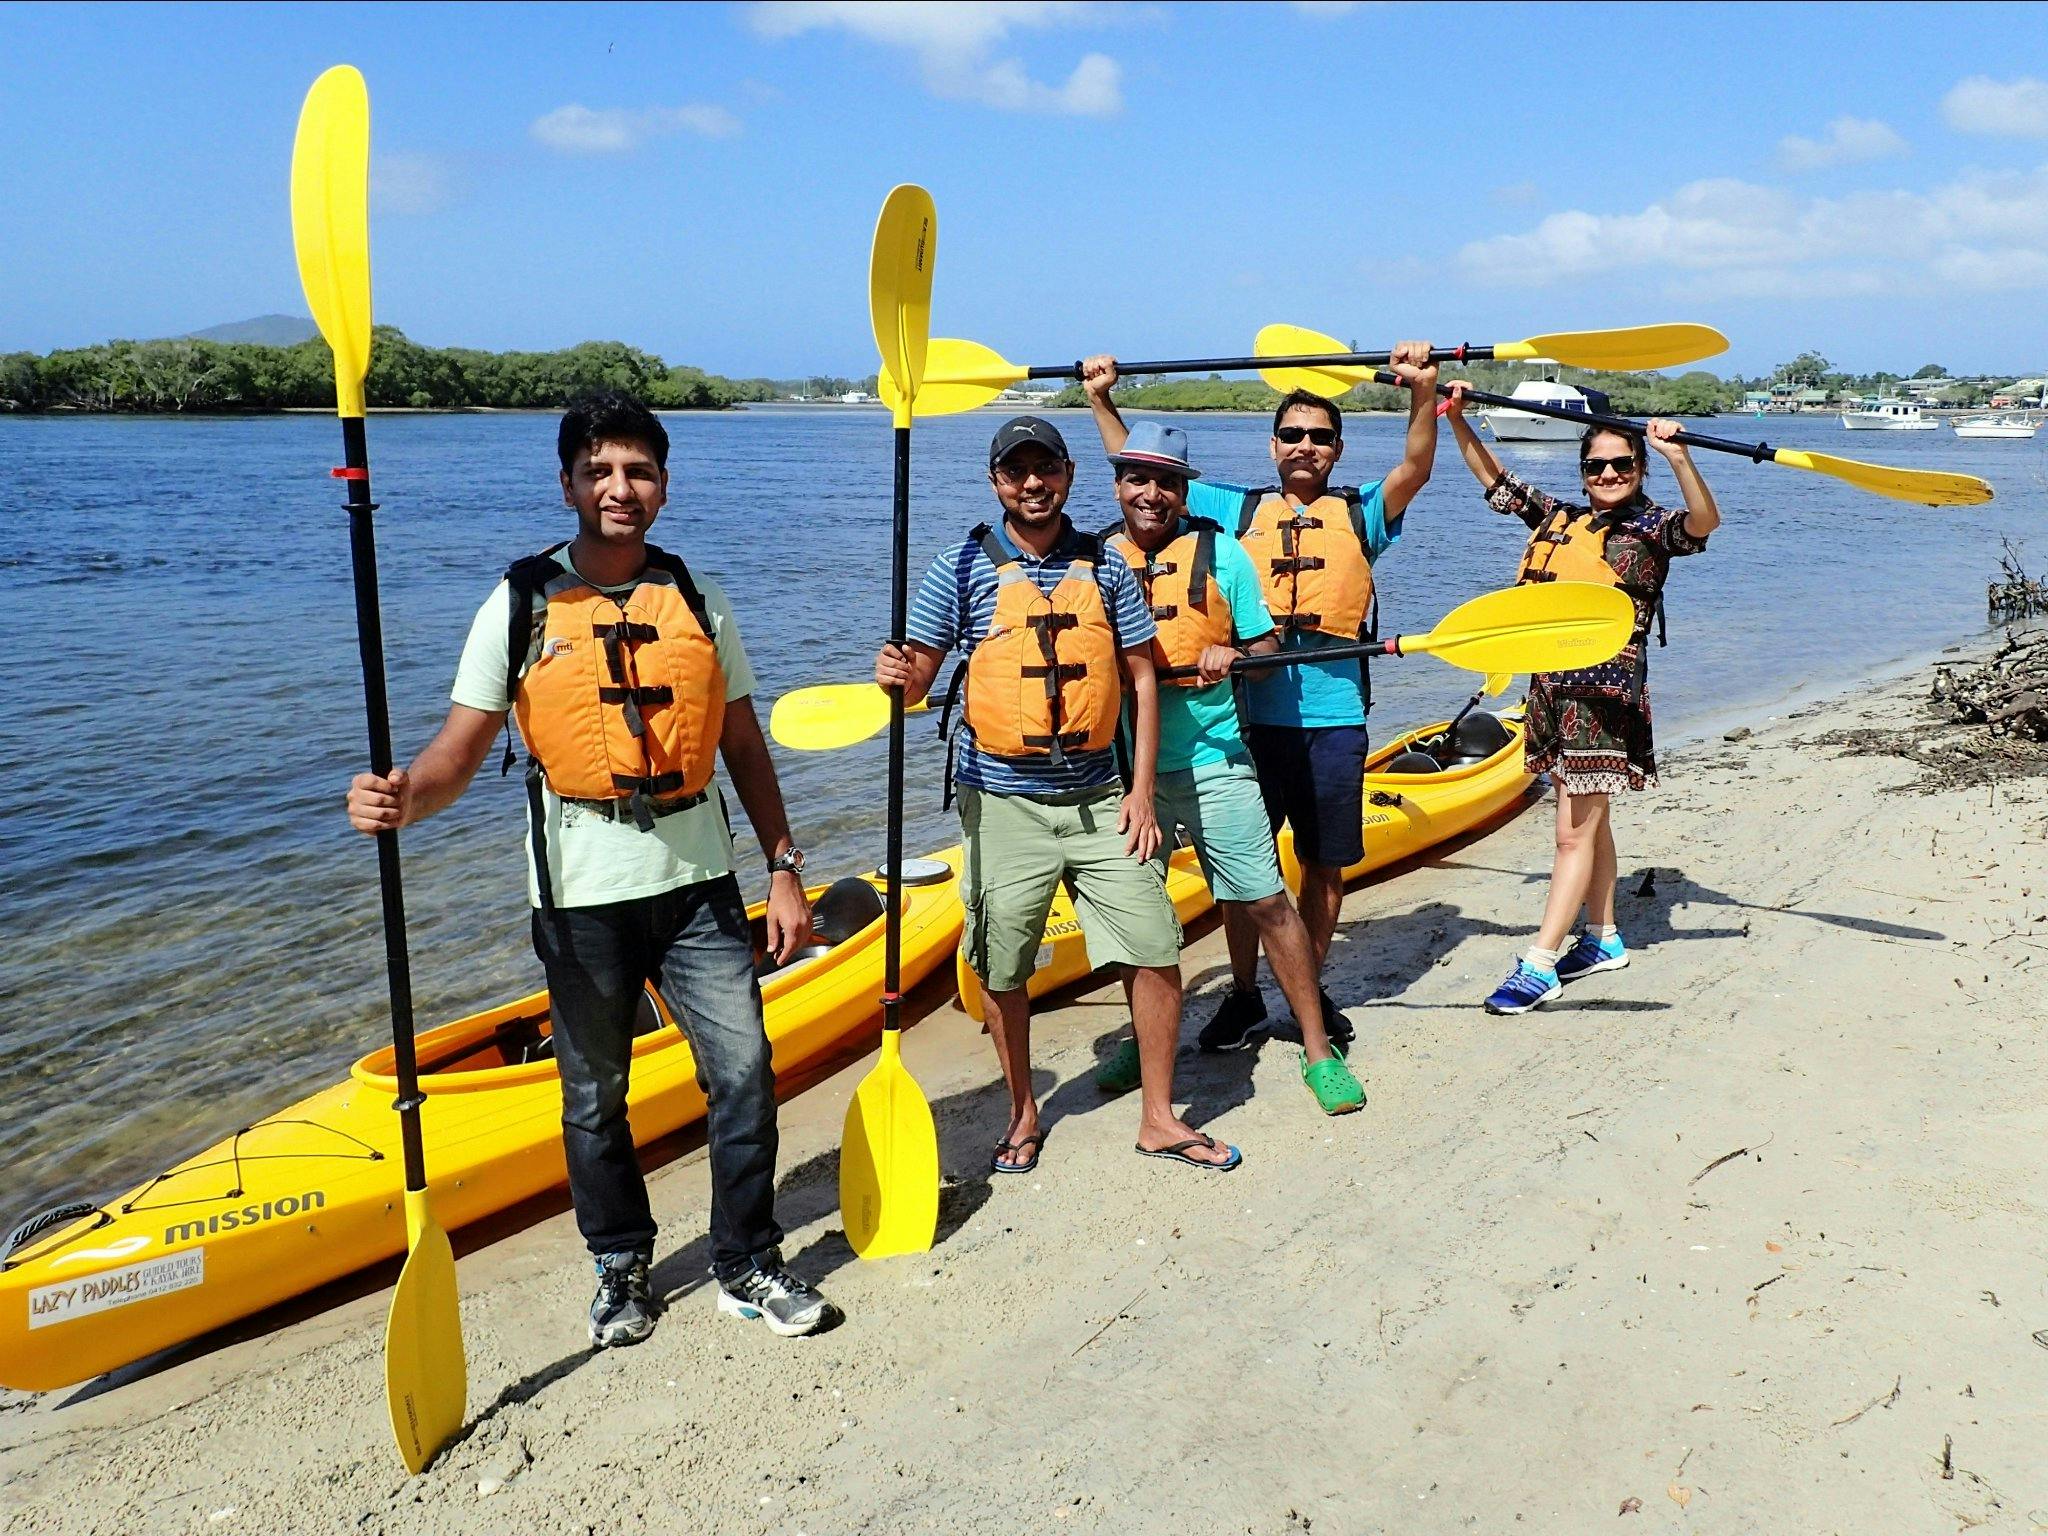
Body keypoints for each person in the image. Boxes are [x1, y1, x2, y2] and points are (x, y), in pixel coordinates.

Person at [344, 392, 831, 1348]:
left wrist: (783, 865)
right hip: (579, 896)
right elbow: (459, 748)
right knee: (593, 1096)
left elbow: (741, 739)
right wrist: (404, 796)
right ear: (567, 482)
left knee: (744, 1071)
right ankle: (621, 1265)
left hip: (697, 884)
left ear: (663, 484)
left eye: (639, 471)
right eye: (600, 471)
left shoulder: (697, 595)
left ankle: (745, 1259)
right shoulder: (522, 600)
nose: (620, 489)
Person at [873, 415, 1241, 1173]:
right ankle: (1023, 1111)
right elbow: (918, 686)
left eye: (1047, 470)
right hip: (1003, 803)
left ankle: (1159, 1118)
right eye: (1017, 472)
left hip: (1102, 795)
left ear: (1069, 475)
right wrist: (897, 677)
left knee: (1155, 944)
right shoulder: (960, 567)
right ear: (997, 481)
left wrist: (1140, 792)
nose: (1033, 484)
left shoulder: (1105, 566)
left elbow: (1141, 673)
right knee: (1001, 964)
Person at [1083, 348, 1440, 1054]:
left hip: (1334, 720)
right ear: (1273, 445)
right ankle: (1246, 995)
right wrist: (1100, 398)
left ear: (1337, 450)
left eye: (1320, 437)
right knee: (1241, 875)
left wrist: (1423, 393)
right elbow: (1144, 475)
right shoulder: (1231, 508)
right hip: (1248, 728)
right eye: (1293, 435)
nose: (1305, 447)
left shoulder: (1362, 511)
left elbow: (1416, 469)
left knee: (1323, 862)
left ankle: (1308, 981)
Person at [1084, 420, 1366, 1115]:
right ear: (1119, 485)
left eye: (1167, 482)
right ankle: (1143, 1039)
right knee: (1137, 921)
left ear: (1184, 491)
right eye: (1138, 478)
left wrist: (1234, 655)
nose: (1152, 494)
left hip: (1213, 757)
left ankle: (1316, 1048)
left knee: (1267, 901)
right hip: (1124, 776)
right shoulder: (1091, 560)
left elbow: (1265, 638)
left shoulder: (1223, 553)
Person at [1441, 383, 1719, 1013]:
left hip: (1603, 702)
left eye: (1623, 464)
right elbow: (1496, 480)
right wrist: (1455, 417)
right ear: (1583, 472)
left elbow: (1704, 523)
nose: (1611, 473)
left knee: (1570, 838)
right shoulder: (1559, 519)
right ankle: (1603, 937)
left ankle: (1540, 962)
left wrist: (1679, 456)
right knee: (1592, 825)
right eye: (1597, 466)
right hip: (1549, 694)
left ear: (1640, 470)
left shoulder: (1652, 529)